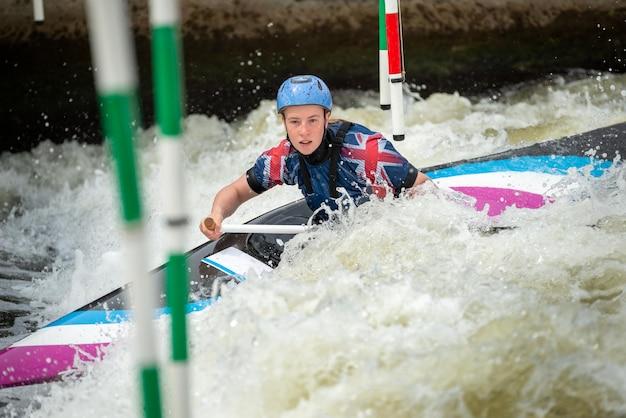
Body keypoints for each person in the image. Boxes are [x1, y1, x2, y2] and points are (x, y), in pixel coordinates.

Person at [200, 75, 429, 240]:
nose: (303, 131)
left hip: (383, 230)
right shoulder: (284, 158)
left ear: (326, 117)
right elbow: (236, 191)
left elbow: (422, 187)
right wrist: (217, 216)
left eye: (312, 120)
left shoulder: (365, 152)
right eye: (295, 122)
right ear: (284, 122)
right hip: (336, 235)